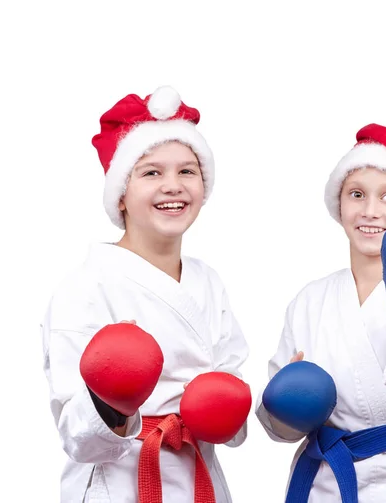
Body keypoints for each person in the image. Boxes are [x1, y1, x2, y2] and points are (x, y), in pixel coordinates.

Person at [40, 85, 250, 503]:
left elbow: (232, 392)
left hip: (197, 475)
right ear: (120, 193)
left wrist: (224, 409)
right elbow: (78, 439)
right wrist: (112, 400)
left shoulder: (208, 281)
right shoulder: (86, 286)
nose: (172, 186)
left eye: (187, 171)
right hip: (117, 485)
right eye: (151, 172)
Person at [256, 123, 386, 502]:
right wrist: (288, 406)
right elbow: (278, 429)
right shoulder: (310, 299)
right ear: (339, 203)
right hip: (323, 480)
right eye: (357, 194)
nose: (370, 211)